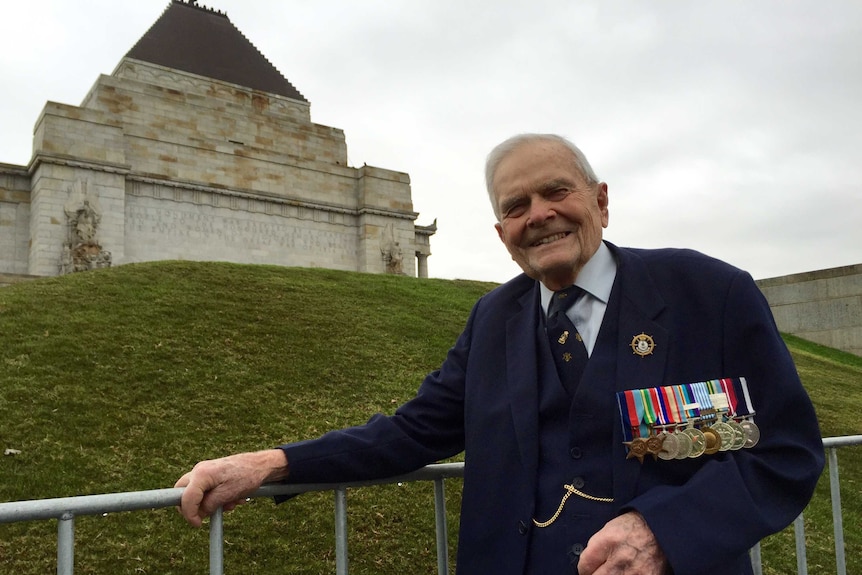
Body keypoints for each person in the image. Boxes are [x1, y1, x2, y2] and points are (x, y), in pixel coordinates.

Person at [176, 134, 825, 574]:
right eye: (517, 207)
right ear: (502, 234)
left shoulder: (707, 294)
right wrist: (271, 463)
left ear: (601, 200)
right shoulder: (494, 319)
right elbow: (410, 432)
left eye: (556, 192)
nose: (538, 214)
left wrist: (662, 535)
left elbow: (782, 450)